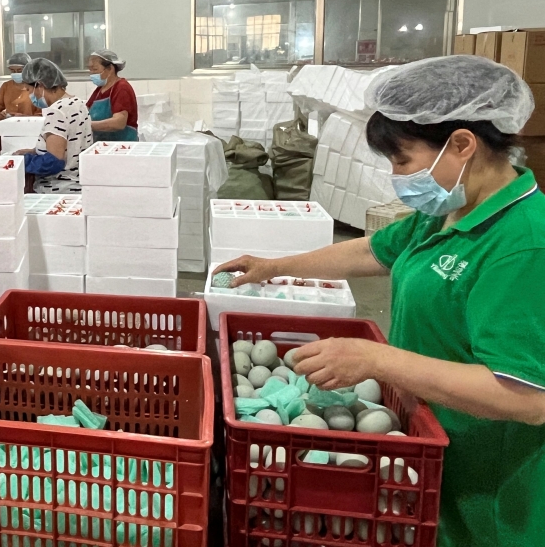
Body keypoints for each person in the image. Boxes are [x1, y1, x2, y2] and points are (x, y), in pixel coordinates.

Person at [217, 55, 545, 547]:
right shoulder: (450, 212)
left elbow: (526, 396)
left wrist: (379, 360)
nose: (397, 176)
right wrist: (276, 266)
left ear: (461, 144)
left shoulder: (523, 243)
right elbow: (373, 250)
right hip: (430, 451)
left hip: (489, 487)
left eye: (402, 160)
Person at [15, 58, 93, 194]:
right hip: (78, 185)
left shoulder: (56, 111)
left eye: (28, 90)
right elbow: (69, 144)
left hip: (57, 189)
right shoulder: (78, 103)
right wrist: (35, 151)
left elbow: (54, 161)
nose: (29, 95)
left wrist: (22, 161)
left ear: (39, 85)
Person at [86, 49, 139, 141]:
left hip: (123, 145)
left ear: (110, 68)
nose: (92, 74)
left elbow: (119, 123)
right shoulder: (99, 91)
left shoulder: (122, 88)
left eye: (95, 69)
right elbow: (85, 111)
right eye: (90, 70)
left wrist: (86, 125)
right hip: (102, 144)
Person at [0, 52, 38, 120]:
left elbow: (43, 115)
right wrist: (1, 116)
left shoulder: (37, 87)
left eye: (19, 71)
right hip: (10, 126)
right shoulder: (6, 86)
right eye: (12, 71)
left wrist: (22, 118)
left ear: (28, 70)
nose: (16, 73)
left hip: (31, 127)